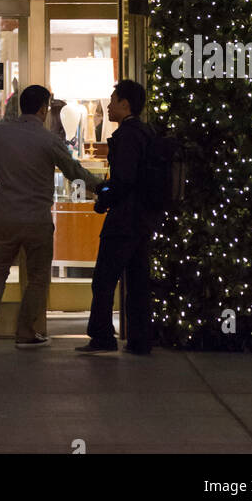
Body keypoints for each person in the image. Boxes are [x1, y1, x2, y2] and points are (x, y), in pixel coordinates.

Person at [0, 83, 100, 350]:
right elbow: (74, 172)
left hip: (6, 217)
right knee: (38, 277)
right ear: (44, 109)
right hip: (37, 220)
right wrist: (101, 186)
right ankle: (25, 332)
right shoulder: (49, 139)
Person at [80, 79, 156, 356]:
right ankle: (140, 339)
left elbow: (124, 179)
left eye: (112, 101)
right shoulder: (148, 133)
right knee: (137, 280)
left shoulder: (126, 136)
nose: (108, 107)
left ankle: (102, 336)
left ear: (125, 104)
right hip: (144, 220)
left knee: (104, 279)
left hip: (123, 219)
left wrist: (104, 198)